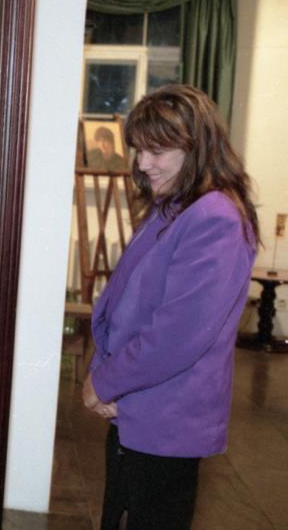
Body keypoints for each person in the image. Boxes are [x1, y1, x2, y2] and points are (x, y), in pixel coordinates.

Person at [82, 84, 258, 530]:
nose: (143, 163)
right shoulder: (176, 205)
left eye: (157, 151)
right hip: (139, 410)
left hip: (166, 420)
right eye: (139, 150)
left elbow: (176, 336)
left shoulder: (215, 216)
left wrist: (103, 382)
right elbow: (126, 305)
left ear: (197, 147)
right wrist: (107, 376)